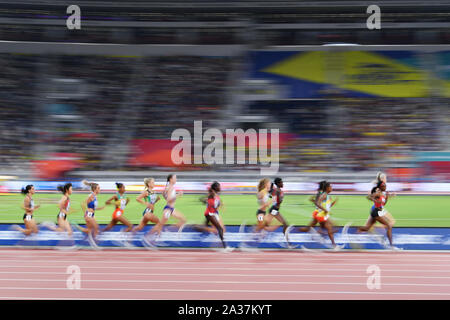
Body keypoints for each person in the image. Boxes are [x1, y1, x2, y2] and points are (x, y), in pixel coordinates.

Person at [357, 180, 400, 250]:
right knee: (389, 225)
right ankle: (391, 246)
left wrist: (387, 198)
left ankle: (357, 228)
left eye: (385, 185)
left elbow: (383, 204)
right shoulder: (378, 193)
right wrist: (374, 200)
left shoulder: (383, 194)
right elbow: (368, 196)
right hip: (376, 212)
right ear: (380, 187)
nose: (385, 187)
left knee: (367, 228)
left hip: (376, 212)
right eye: (383, 186)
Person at [298, 181, 341, 250]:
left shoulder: (327, 195)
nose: (331, 188)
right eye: (330, 187)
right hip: (321, 215)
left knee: (329, 229)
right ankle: (333, 245)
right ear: (327, 188)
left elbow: (328, 206)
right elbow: (317, 203)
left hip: (323, 215)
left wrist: (333, 203)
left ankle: (320, 238)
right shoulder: (324, 195)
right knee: (330, 229)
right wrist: (324, 210)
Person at [193, 181, 233, 252]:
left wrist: (220, 204)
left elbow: (216, 203)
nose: (220, 188)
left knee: (219, 229)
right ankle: (225, 247)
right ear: (215, 188)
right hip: (210, 214)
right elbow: (202, 199)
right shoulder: (212, 194)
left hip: (214, 213)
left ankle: (196, 227)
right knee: (220, 229)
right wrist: (206, 201)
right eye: (219, 186)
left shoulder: (216, 195)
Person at [77, 180, 106, 248]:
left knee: (89, 230)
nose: (100, 190)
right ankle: (95, 243)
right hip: (89, 215)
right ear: (95, 189)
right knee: (96, 227)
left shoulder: (95, 196)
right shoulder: (91, 196)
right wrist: (85, 213)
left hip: (92, 214)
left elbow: (93, 207)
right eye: (98, 188)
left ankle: (75, 227)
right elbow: (82, 204)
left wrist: (100, 208)